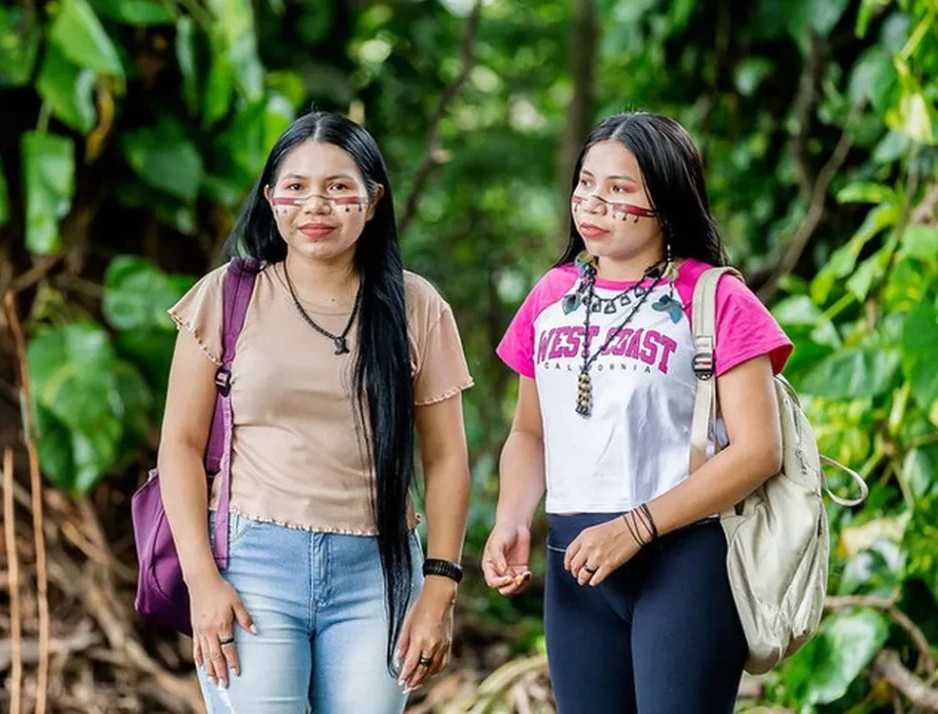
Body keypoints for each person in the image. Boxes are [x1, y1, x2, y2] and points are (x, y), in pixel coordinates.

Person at [157, 111, 473, 714]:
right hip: (252, 565)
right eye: (296, 187)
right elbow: (179, 444)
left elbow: (446, 457)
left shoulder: (416, 305)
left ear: (373, 200)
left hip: (377, 574)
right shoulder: (227, 295)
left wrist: (439, 588)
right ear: (271, 198)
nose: (315, 205)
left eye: (337, 187)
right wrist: (202, 580)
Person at [482, 112, 793, 714]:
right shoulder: (550, 296)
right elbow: (529, 431)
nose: (593, 202)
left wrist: (636, 527)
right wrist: (512, 519)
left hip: (686, 557)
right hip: (575, 563)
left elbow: (760, 451)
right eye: (587, 183)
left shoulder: (716, 297)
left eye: (619, 190)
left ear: (666, 202)